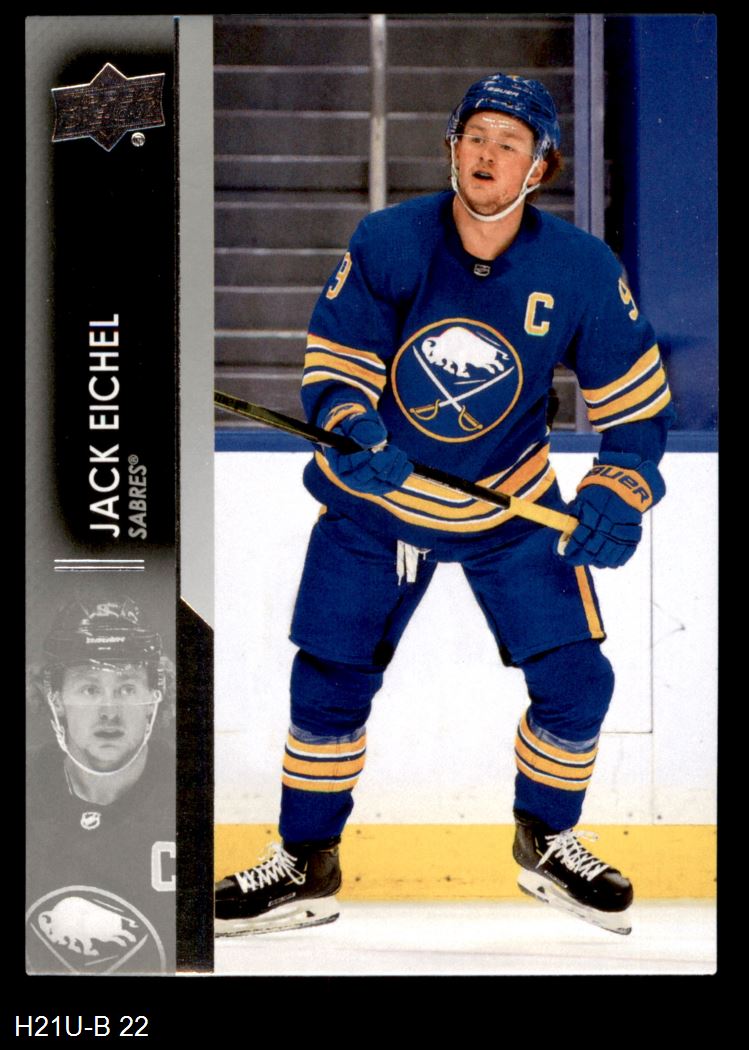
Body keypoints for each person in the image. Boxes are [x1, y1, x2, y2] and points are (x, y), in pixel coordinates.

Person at [215, 73, 674, 937]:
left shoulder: (580, 268)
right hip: (376, 506)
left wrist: (619, 488)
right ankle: (305, 864)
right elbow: (336, 368)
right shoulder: (389, 240)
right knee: (328, 682)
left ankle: (546, 838)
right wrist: (353, 429)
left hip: (510, 506)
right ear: (451, 150)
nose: (487, 154)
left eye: (509, 142)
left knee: (578, 680)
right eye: (474, 137)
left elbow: (635, 409)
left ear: (539, 167)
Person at [26, 597, 176, 974]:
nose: (109, 711)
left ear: (154, 696)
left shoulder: (190, 795)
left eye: (126, 688)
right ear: (56, 698)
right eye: (89, 689)